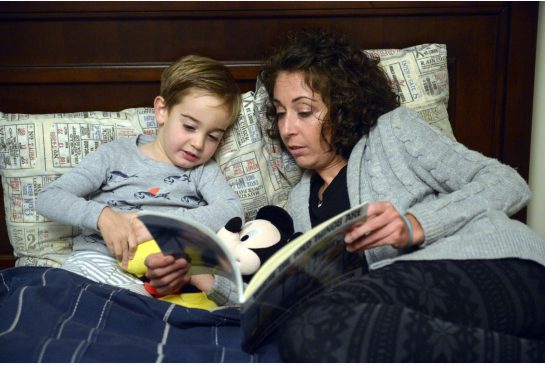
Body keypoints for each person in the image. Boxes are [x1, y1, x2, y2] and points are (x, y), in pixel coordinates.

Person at [258, 28, 545, 362]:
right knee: (311, 332)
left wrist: (416, 223)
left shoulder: (392, 134)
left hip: (493, 265)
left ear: (343, 106)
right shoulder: (296, 204)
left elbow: (507, 182)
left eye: (304, 111)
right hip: (397, 306)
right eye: (280, 113)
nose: (287, 128)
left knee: (312, 325)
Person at [36, 54, 244, 302]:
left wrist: (160, 224)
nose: (198, 144)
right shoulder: (114, 155)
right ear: (162, 110)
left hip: (167, 276)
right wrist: (103, 216)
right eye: (189, 126)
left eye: (213, 137)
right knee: (67, 290)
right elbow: (48, 198)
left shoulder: (202, 170)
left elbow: (232, 211)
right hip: (101, 260)